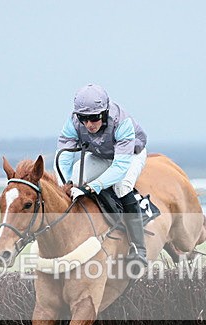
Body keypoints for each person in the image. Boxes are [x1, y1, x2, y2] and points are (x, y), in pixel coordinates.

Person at [55, 83, 149, 266]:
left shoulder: (122, 122)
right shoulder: (73, 122)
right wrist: (64, 185)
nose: (89, 125)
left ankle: (139, 248)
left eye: (94, 118)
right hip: (101, 154)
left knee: (121, 187)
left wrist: (90, 187)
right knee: (74, 178)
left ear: (104, 113)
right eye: (83, 119)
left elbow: (120, 167)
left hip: (130, 154)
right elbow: (64, 156)